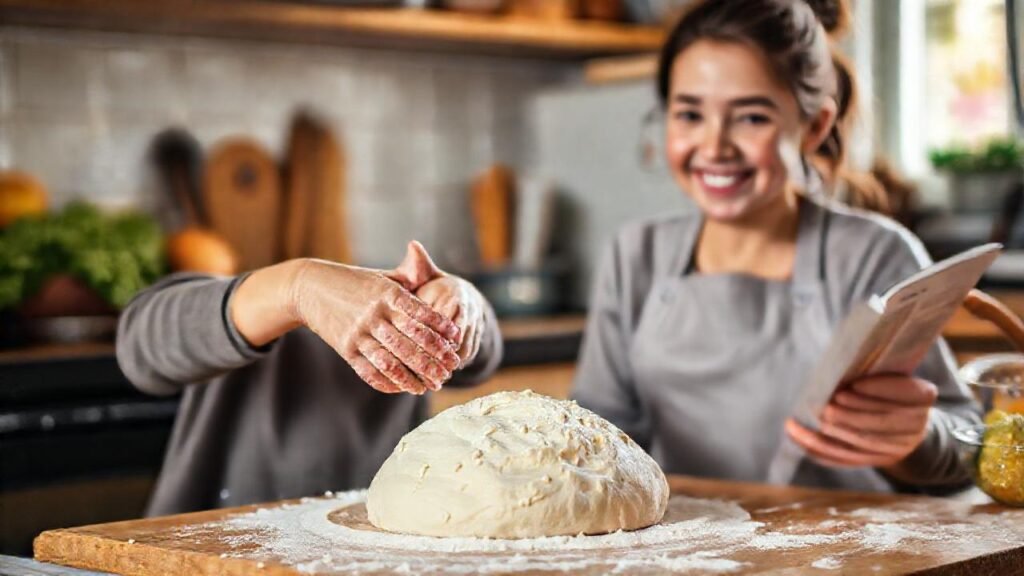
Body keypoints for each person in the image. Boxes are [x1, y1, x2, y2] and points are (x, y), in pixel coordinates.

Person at [572, 0, 981, 493]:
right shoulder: (636, 255)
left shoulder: (873, 254)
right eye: (689, 114)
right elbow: (591, 442)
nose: (714, 146)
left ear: (814, 126)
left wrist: (917, 442)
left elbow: (967, 444)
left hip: (846, 560)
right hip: (688, 555)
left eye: (751, 118)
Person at [117, 241, 502, 515]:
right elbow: (140, 348)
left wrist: (459, 299)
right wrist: (297, 287)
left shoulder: (401, 314)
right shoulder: (231, 305)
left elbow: (485, 356)